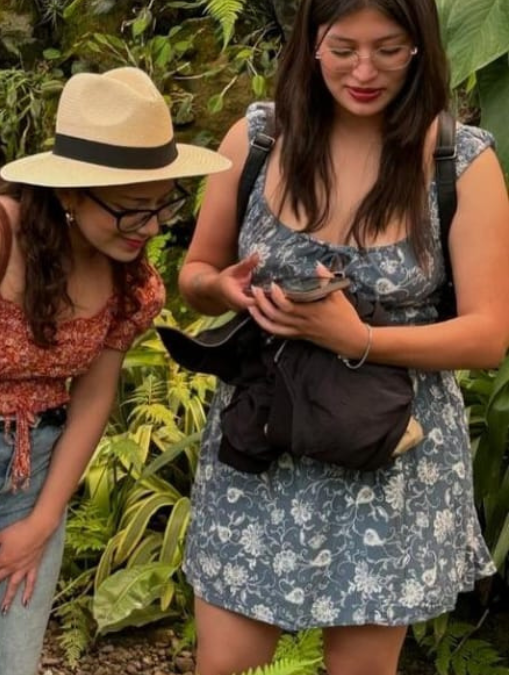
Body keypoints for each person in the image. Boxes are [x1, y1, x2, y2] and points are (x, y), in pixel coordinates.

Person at [0, 67, 231, 674]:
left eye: (163, 204)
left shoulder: (123, 264)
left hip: (30, 473)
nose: (153, 227)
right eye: (134, 210)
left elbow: (93, 397)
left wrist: (44, 519)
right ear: (71, 195)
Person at [177, 0, 509, 673]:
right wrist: (226, 288)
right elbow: (194, 273)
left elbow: (487, 336)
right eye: (343, 47)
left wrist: (356, 336)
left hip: (388, 449)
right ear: (311, 42)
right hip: (265, 439)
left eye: (389, 49)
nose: (364, 70)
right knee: (227, 665)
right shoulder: (258, 140)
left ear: (420, 48)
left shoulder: (460, 162)